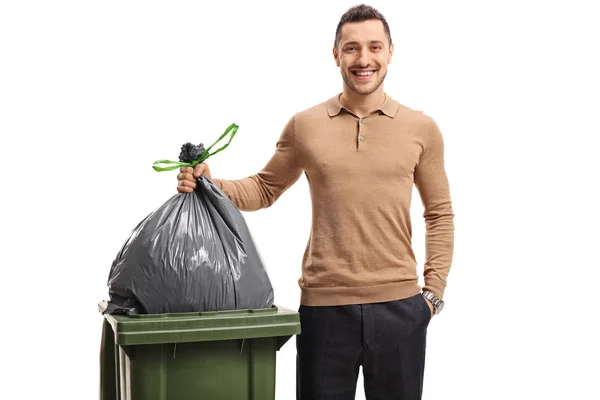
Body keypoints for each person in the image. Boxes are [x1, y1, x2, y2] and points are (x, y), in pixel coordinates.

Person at [177, 4, 454, 400]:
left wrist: (432, 294)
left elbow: (440, 213)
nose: (363, 59)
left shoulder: (421, 129)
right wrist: (210, 183)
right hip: (325, 312)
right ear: (336, 54)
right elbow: (264, 188)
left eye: (374, 47)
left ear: (390, 51)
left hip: (400, 309)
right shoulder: (306, 125)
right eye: (352, 48)